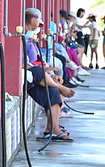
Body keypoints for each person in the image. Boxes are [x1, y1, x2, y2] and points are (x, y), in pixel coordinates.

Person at [24, 8, 75, 140]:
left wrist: (48, 73)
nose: (39, 28)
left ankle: (52, 128)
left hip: (35, 75)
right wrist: (43, 71)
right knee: (40, 73)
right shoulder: (21, 39)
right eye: (37, 25)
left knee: (53, 91)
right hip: (28, 75)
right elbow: (22, 63)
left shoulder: (31, 41)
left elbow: (33, 61)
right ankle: (55, 128)